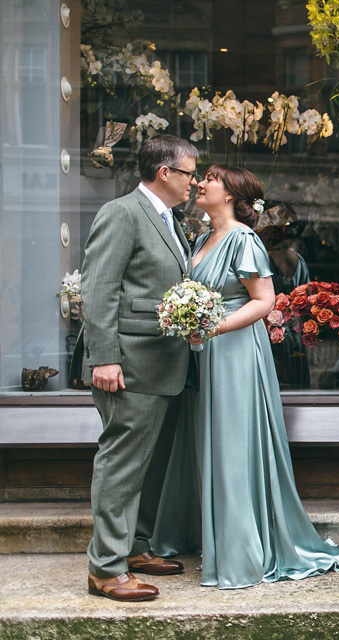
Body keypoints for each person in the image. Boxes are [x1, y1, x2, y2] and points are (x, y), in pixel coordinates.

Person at [150, 165, 339, 588]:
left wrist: (214, 327)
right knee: (205, 437)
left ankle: (240, 549)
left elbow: (263, 301)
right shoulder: (202, 238)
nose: (200, 184)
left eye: (210, 178)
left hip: (233, 352)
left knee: (231, 441)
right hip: (203, 350)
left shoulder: (243, 239)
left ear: (229, 195)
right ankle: (207, 534)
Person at [82, 134, 199, 602]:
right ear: (165, 172)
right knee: (123, 465)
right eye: (190, 172)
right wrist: (104, 357)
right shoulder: (122, 213)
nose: (195, 181)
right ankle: (105, 569)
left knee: (149, 468)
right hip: (129, 367)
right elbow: (99, 289)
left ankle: (136, 548)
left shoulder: (170, 219)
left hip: (166, 366)